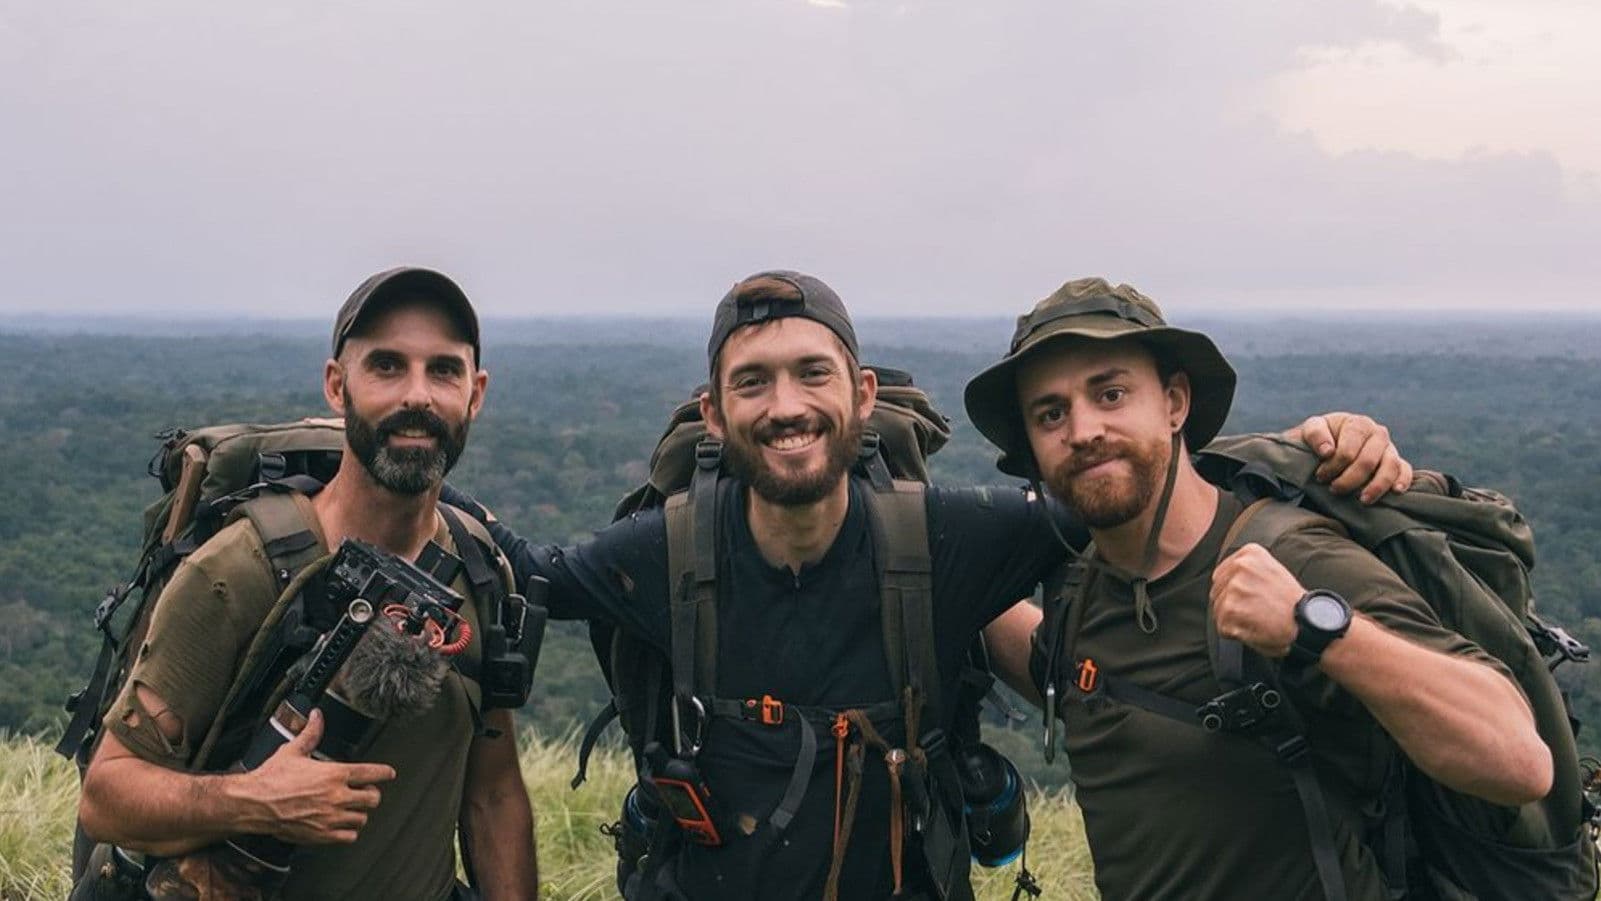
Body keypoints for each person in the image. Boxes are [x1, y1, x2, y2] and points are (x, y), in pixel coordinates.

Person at [455, 270, 1405, 900]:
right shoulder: (663, 553)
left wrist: (1303, 451)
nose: (785, 407)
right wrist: (355, 462)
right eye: (753, 384)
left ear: (861, 396)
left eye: (810, 374)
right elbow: (517, 570)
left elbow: (1125, 484)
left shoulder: (944, 538)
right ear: (714, 413)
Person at [961, 277, 1551, 899]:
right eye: (1051, 413)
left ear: (1175, 403)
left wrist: (1315, 627)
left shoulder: (1292, 558)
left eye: (1110, 393)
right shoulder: (1083, 590)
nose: (1082, 430)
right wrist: (922, 565)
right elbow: (1061, 670)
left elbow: (1519, 761)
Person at [77, 267, 538, 901]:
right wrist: (251, 801)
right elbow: (107, 797)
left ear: (475, 393)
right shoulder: (239, 571)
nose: (418, 396)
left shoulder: (480, 571)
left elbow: (492, 793)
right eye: (385, 366)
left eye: (443, 371)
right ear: (336, 385)